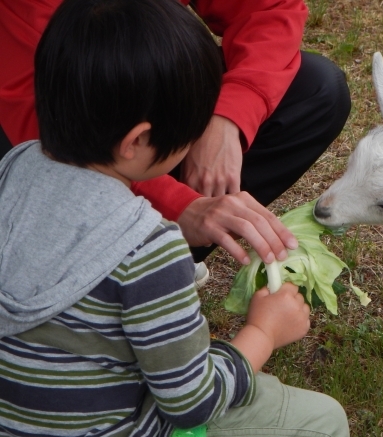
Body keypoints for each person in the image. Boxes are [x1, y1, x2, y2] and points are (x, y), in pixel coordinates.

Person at [0, 0, 349, 437]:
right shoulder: (148, 249)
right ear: (138, 139)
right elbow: (191, 401)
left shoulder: (10, 173)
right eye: (192, 125)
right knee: (326, 430)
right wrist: (264, 333)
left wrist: (232, 113)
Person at [0, 0, 352, 279]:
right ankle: (132, 257)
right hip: (23, 116)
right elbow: (50, 123)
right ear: (138, 139)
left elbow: (269, 8)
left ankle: (162, 249)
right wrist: (179, 207)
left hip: (115, 93)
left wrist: (229, 115)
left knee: (316, 88)